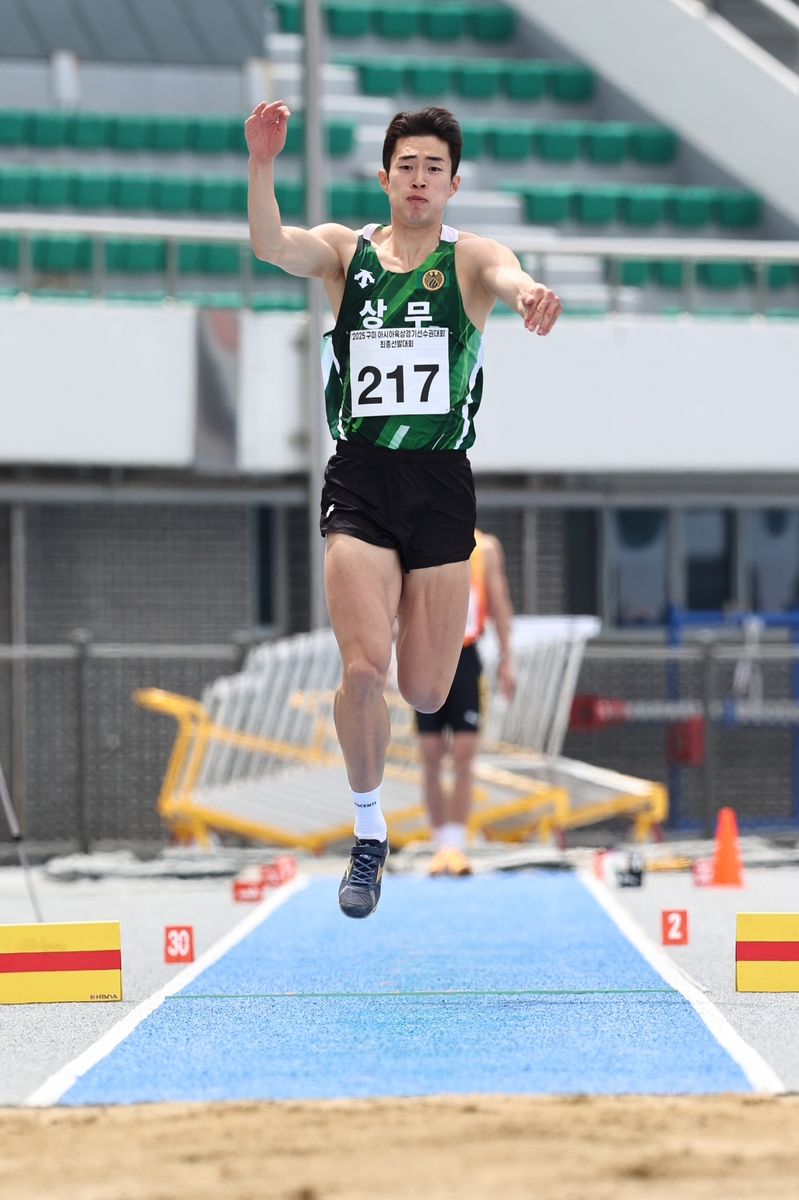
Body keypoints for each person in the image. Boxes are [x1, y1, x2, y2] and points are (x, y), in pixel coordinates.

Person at [246, 101, 561, 919]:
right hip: (359, 475)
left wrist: (527, 293)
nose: (419, 181)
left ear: (452, 184)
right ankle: (368, 830)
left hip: (440, 483)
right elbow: (272, 245)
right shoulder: (345, 253)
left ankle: (391, 803)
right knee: (362, 670)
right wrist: (262, 163)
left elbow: (509, 275)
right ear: (384, 176)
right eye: (406, 167)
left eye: (433, 169)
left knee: (424, 690)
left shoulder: (471, 257)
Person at [416, 529, 515, 877]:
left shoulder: (485, 549)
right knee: (430, 755)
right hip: (427, 655)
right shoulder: (420, 537)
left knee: (464, 752)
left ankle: (455, 844)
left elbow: (499, 603)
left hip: (465, 655)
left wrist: (507, 659)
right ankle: (439, 845)